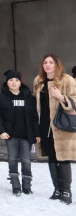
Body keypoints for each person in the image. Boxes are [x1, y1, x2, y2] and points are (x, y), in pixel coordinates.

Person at [33, 53, 76, 205]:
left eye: (51, 62)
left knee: (63, 158)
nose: (47, 65)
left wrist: (61, 97)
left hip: (61, 126)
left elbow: (75, 100)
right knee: (51, 157)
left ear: (57, 64)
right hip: (45, 126)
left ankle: (66, 191)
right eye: (45, 62)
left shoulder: (67, 80)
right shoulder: (39, 81)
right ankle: (57, 189)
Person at [0, 69, 38, 195]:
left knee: (26, 160)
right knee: (12, 158)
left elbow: (34, 117)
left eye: (16, 80)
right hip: (10, 136)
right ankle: (15, 185)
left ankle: (27, 185)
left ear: (20, 82)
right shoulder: (0, 98)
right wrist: (1, 131)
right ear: (7, 82)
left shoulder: (29, 97)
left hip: (26, 135)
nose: (13, 82)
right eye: (11, 80)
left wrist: (37, 133)